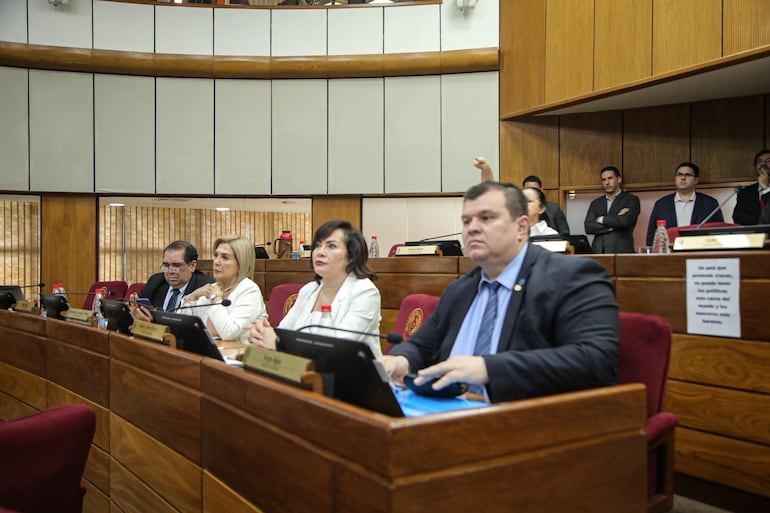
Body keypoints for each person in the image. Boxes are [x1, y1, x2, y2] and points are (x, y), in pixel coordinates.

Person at [382, 181, 618, 402]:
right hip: (446, 411)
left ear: (521, 227)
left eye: (486, 218)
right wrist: (401, 360)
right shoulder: (460, 289)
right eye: (466, 221)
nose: (472, 228)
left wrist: (488, 368)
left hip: (525, 422)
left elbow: (596, 360)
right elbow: (423, 345)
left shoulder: (571, 277)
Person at [246, 220, 383, 358]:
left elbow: (339, 349)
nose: (320, 252)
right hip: (305, 371)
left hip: (354, 376)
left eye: (332, 246)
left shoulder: (364, 292)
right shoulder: (309, 290)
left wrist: (278, 343)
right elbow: (284, 332)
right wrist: (263, 333)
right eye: (317, 246)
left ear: (351, 256)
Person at [182, 235, 267, 341]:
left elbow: (229, 333)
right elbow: (183, 327)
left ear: (241, 264)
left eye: (225, 257)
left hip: (236, 355)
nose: (216, 262)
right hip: (208, 352)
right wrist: (193, 297)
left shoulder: (249, 290)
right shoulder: (213, 288)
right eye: (216, 255)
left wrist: (216, 298)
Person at [472, 157, 570, 235]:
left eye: (528, 201)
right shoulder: (511, 231)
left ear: (541, 209)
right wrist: (486, 168)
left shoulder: (550, 235)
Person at [129, 240, 215, 322]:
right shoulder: (156, 281)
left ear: (192, 266)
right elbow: (137, 311)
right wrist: (133, 313)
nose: (170, 271)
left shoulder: (204, 288)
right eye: (166, 265)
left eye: (177, 266)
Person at [645, 162, 724, 246]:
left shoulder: (710, 203)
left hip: (700, 252)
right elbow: (651, 236)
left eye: (688, 175)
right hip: (670, 254)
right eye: (679, 174)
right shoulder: (661, 204)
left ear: (696, 180)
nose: (682, 178)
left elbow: (720, 232)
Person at [584, 166, 640, 254]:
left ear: (619, 179)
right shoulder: (596, 203)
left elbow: (624, 221)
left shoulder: (631, 200)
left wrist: (600, 219)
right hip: (598, 251)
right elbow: (589, 227)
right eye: (603, 179)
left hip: (621, 251)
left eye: (610, 178)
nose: (607, 182)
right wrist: (614, 223)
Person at [732, 149, 770, 225]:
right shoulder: (745, 192)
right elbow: (738, 217)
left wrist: (766, 189)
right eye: (759, 161)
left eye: (768, 161)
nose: (763, 163)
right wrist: (760, 226)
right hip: (754, 235)